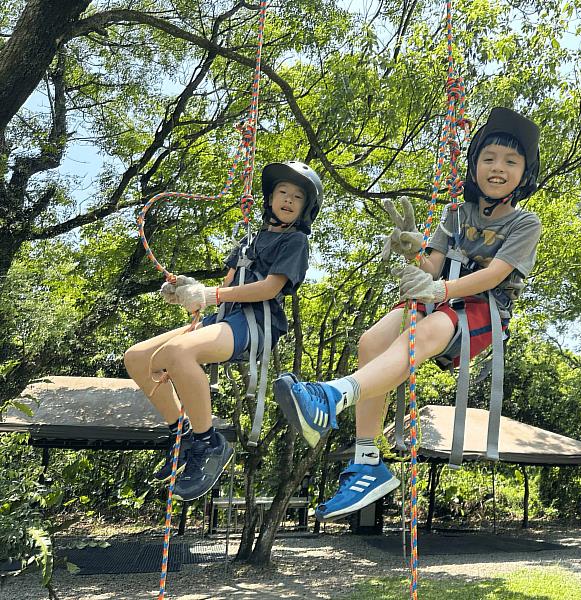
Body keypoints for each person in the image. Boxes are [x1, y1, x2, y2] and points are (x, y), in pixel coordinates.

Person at [273, 107, 543, 521]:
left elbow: (494, 275)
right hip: (440, 296)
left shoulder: (526, 223)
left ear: (524, 174)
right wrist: (414, 250)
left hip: (479, 309)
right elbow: (431, 267)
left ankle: (331, 396)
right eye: (489, 158)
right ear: (474, 167)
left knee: (423, 332)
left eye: (510, 161)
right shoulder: (456, 214)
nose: (498, 168)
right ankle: (367, 461)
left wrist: (440, 288)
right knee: (371, 342)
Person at [124, 161, 322, 501]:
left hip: (255, 323)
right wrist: (188, 291)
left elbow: (268, 289)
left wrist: (212, 295)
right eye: (282, 192)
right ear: (271, 198)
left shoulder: (295, 243)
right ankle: (182, 434)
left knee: (178, 353)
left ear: (305, 208)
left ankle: (209, 443)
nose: (288, 199)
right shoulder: (249, 240)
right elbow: (228, 284)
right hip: (224, 317)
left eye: (297, 196)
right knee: (138, 358)